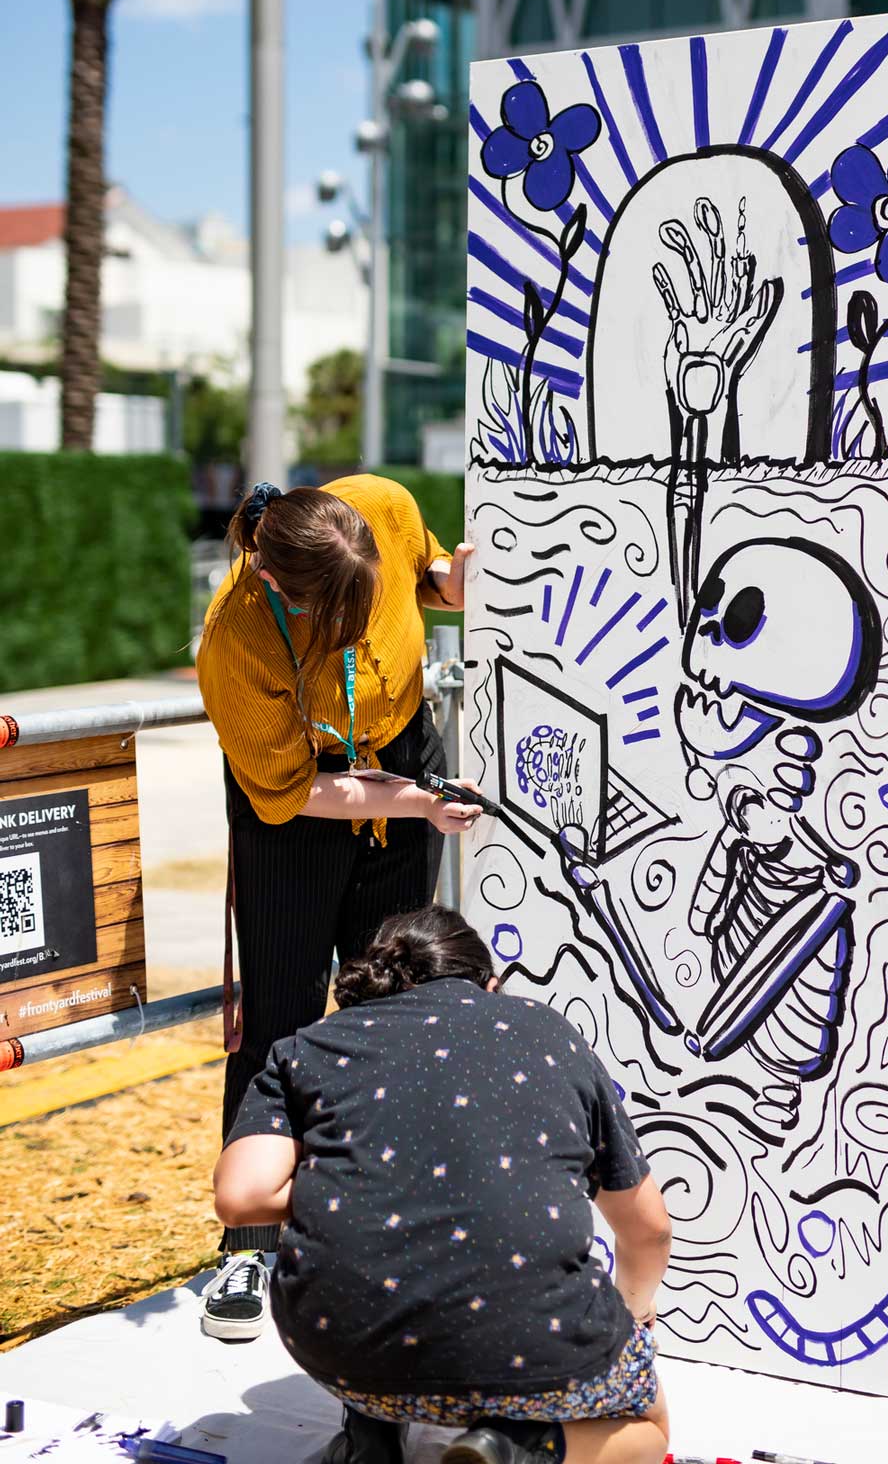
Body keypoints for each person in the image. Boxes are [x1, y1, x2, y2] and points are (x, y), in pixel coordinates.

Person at [213, 906, 672, 1464]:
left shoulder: (307, 1047)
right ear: (491, 986)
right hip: (533, 1343)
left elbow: (242, 1199)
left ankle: (372, 1436)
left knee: (384, 1267)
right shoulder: (548, 1032)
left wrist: (359, 1181)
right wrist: (633, 1309)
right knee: (648, 1427)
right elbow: (649, 1230)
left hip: (342, 1344)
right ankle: (521, 1449)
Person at [197, 475, 485, 1341]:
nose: (361, 634)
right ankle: (250, 1240)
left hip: (397, 752)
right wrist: (416, 804)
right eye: (341, 623)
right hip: (301, 797)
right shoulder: (234, 641)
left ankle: (386, 1217)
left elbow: (428, 575)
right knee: (282, 1012)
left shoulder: (378, 508)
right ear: (282, 590)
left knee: (397, 1005)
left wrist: (456, 582)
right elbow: (290, 796)